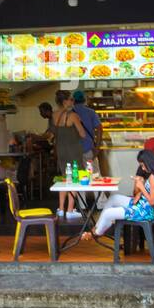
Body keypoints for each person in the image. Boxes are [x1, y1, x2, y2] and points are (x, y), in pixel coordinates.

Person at [51, 91, 88, 221]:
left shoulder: (54, 115)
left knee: (64, 178)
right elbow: (82, 134)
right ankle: (70, 209)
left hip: (61, 149)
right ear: (65, 101)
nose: (73, 102)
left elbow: (53, 133)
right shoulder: (73, 116)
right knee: (75, 178)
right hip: (73, 150)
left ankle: (61, 208)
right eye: (71, 100)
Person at [71, 90, 103, 173]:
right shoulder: (91, 112)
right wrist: (97, 147)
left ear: (73, 100)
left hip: (74, 151)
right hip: (89, 149)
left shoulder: (69, 113)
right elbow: (99, 129)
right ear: (84, 100)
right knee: (94, 176)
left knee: (77, 177)